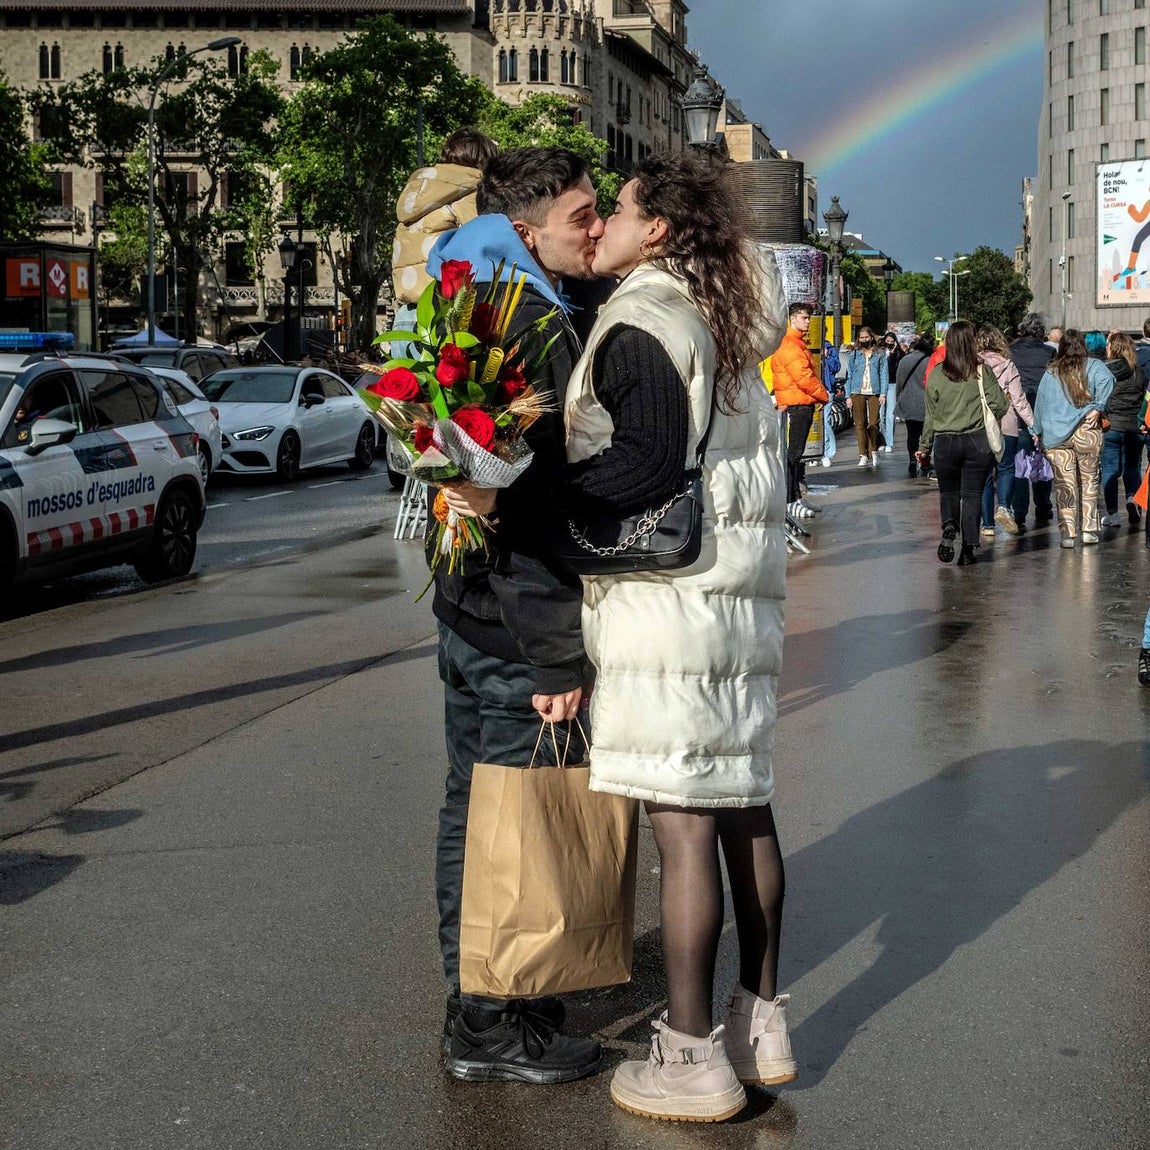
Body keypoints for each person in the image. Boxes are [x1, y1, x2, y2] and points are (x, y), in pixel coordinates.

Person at [562, 150, 791, 1124]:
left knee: (682, 822)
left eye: (614, 209)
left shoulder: (647, 314)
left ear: (655, 228)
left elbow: (645, 461)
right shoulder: (729, 314)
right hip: (734, 600)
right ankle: (760, 1022)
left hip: (669, 604)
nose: (602, 223)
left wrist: (530, 496)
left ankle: (689, 1053)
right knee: (743, 802)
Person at [422, 147, 606, 1085]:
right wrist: (554, 659)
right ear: (528, 225)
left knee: (476, 811)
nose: (597, 226)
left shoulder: (466, 283)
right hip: (508, 620)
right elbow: (526, 510)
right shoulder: (527, 317)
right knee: (513, 817)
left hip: (465, 607)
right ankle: (496, 1023)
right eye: (582, 214)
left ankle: (483, 1001)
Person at [390, 129, 499, 347]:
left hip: (403, 319)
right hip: (440, 318)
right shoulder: (473, 194)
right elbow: (490, 244)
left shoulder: (419, 191)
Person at [918, 319, 1007, 566]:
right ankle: (968, 548)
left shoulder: (936, 373)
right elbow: (999, 405)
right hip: (977, 441)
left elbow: (930, 415)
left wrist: (924, 446)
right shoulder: (981, 371)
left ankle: (949, 526)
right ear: (971, 342)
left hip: (945, 442)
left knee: (948, 491)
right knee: (972, 494)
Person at [1031, 329, 1115, 548]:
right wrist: (1098, 407)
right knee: (1089, 482)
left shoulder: (1051, 372)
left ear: (1062, 347)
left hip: (1056, 436)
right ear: (1083, 345)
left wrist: (1037, 431)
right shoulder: (1094, 366)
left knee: (1064, 485)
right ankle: (1088, 530)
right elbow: (1109, 381)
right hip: (1087, 430)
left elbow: (1040, 405)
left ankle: (1068, 535)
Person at [770, 302, 829, 519]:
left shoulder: (793, 343)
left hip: (798, 401)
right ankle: (789, 500)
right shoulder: (791, 344)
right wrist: (823, 395)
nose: (808, 321)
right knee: (793, 454)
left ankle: (794, 497)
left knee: (794, 454)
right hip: (797, 403)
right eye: (804, 318)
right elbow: (803, 377)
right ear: (792, 318)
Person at [976, 324, 1035, 538]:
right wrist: (1033, 425)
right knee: (1007, 468)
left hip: (981, 423)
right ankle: (1003, 507)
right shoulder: (1008, 365)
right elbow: (1019, 400)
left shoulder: (975, 366)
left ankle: (987, 524)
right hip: (1007, 422)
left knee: (984, 475)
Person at [1008, 313, 1056, 528]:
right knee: (1042, 461)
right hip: (1043, 412)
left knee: (1020, 462)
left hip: (1018, 413)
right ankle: (1043, 506)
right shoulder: (1050, 352)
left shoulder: (1011, 351)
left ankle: (1019, 511)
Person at [1099, 331, 1146, 527]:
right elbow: (1145, 396)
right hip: (1134, 426)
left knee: (1110, 469)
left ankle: (1112, 515)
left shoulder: (1105, 371)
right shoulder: (1139, 371)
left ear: (1113, 348)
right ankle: (1131, 499)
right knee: (1132, 466)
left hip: (1112, 426)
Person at [843, 326, 889, 468]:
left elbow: (884, 374)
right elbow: (849, 375)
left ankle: (874, 450)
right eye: (861, 338)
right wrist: (848, 396)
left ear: (871, 337)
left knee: (874, 423)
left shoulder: (880, 354)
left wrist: (883, 393)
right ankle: (863, 454)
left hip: (874, 392)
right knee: (860, 424)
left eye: (866, 337)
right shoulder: (854, 355)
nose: (864, 340)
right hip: (857, 391)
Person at [895, 333, 933, 477]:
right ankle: (924, 460)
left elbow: (899, 382)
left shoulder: (905, 360)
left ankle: (912, 459)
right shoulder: (930, 361)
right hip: (926, 404)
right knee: (927, 435)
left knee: (912, 435)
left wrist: (898, 398)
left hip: (909, 402)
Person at [880, 330, 903, 452]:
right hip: (879, 385)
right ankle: (882, 440)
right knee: (880, 414)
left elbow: (892, 368)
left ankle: (889, 442)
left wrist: (893, 354)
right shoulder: (879, 352)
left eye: (891, 342)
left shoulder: (898, 354)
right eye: (887, 341)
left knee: (890, 415)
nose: (889, 343)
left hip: (892, 384)